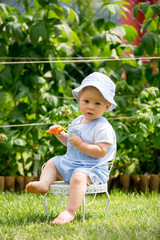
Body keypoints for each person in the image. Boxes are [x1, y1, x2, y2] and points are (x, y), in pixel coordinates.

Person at [26, 72, 117, 225]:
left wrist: (81, 145)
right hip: (71, 163)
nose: (90, 107)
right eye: (86, 101)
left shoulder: (102, 127)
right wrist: (60, 134)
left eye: (97, 104)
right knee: (53, 162)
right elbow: (71, 142)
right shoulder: (77, 121)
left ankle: (70, 211)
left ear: (107, 106)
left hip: (92, 169)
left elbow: (101, 151)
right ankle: (44, 183)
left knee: (79, 176)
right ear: (79, 99)